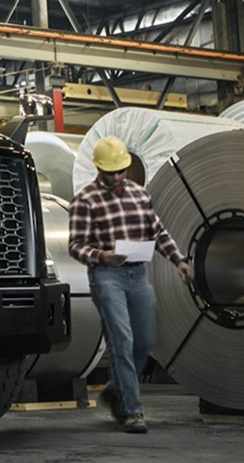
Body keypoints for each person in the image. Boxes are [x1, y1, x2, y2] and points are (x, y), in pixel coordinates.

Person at [68, 136, 194, 435]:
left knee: (145, 340)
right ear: (98, 168)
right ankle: (132, 411)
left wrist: (179, 261)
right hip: (106, 277)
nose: (116, 177)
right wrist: (101, 255)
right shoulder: (85, 200)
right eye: (109, 172)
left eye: (120, 171)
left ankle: (115, 390)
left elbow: (158, 232)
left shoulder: (140, 195)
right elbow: (75, 245)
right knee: (121, 341)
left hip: (138, 276)